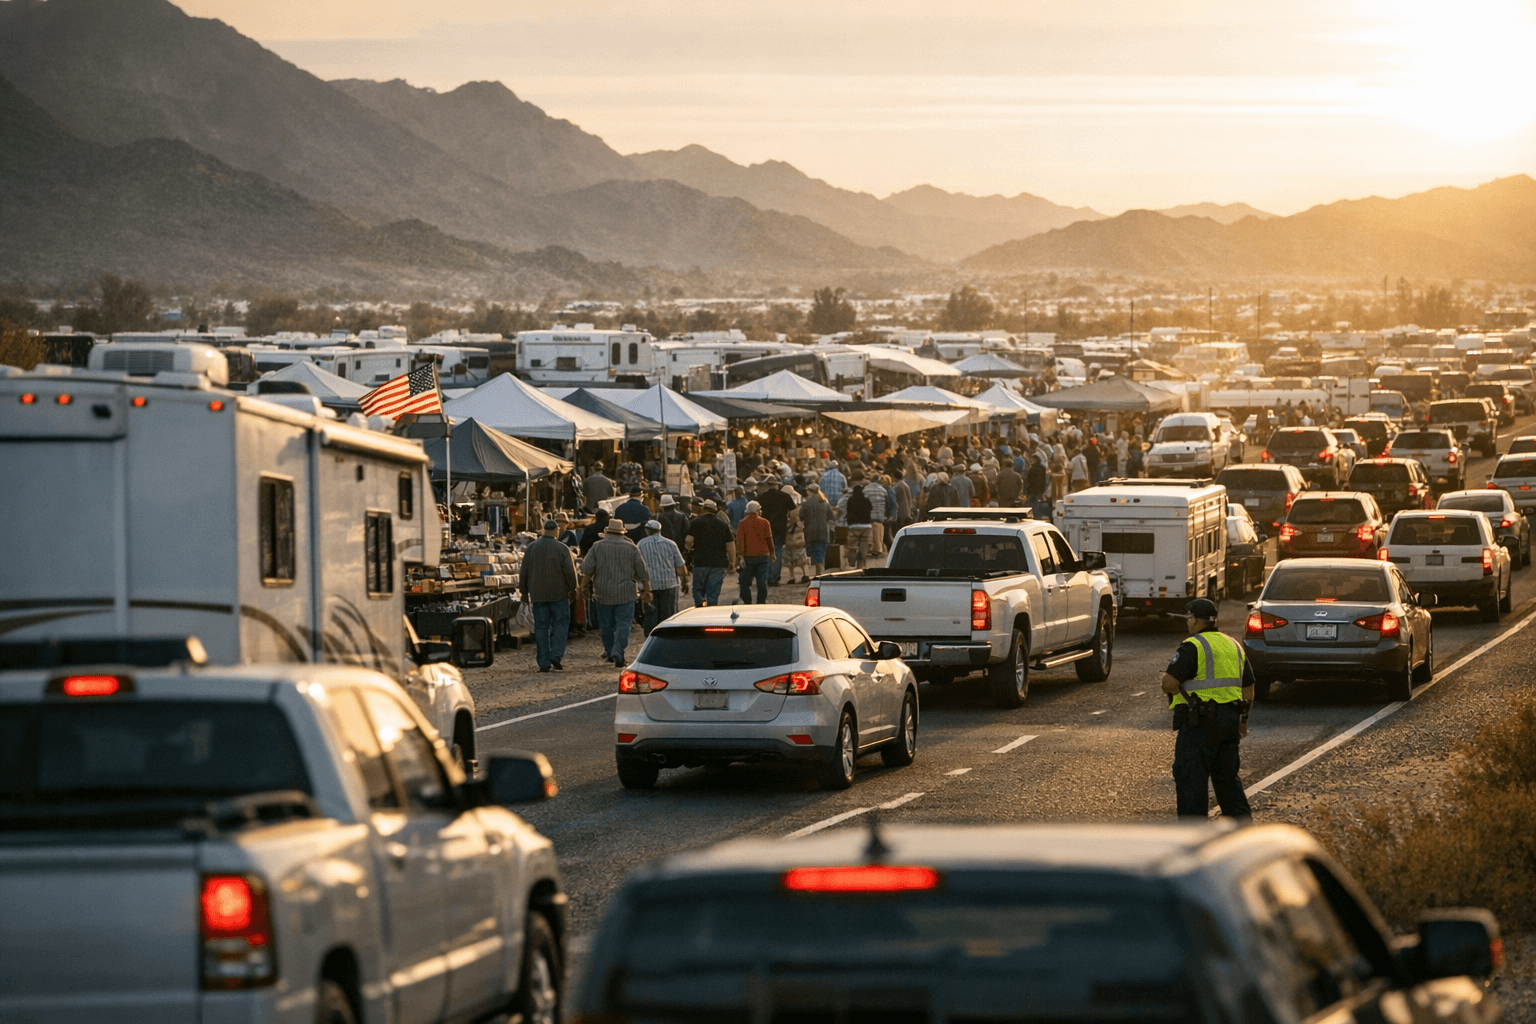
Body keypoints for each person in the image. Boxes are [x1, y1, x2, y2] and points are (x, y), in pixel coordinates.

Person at [1159, 598, 1254, 819]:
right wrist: (1243, 721)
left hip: (1199, 724)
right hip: (1229, 721)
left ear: (1194, 620)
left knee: (1191, 782)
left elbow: (1169, 683)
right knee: (1228, 782)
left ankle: (1194, 835)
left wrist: (1163, 679)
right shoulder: (1233, 645)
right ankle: (1243, 830)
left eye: (1188, 618)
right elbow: (1248, 687)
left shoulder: (1193, 646)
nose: (1187, 622)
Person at [580, 519, 652, 665]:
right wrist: (646, 590)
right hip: (626, 593)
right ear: (622, 533)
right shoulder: (631, 548)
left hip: (603, 592)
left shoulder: (597, 546)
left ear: (607, 532)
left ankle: (609, 650)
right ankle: (618, 651)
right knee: (623, 624)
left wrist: (582, 588)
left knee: (605, 625)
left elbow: (587, 570)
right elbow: (643, 572)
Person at [520, 519, 578, 672]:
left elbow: (523, 571)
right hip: (559, 594)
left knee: (541, 627)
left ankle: (544, 663)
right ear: (556, 531)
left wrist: (524, 592)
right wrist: (573, 590)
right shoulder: (562, 548)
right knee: (561, 624)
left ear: (543, 530)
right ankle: (556, 655)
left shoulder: (531, 548)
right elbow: (570, 572)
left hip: (538, 594)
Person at [637, 520, 685, 635]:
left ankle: (652, 639)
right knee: (669, 615)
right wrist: (684, 581)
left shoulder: (641, 544)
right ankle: (668, 638)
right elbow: (681, 567)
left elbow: (638, 566)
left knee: (650, 615)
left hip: (649, 586)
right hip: (669, 585)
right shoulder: (671, 544)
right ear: (659, 530)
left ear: (647, 530)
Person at [685, 499, 735, 607]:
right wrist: (732, 562)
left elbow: (688, 541)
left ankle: (701, 605)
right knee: (713, 592)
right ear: (715, 510)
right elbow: (731, 545)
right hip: (719, 563)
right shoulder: (723, 524)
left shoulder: (696, 522)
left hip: (700, 562)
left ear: (703, 509)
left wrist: (689, 550)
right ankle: (711, 609)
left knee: (698, 589)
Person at [757, 479, 797, 585]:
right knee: (777, 552)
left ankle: (766, 577)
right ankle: (774, 578)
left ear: (768, 485)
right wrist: (790, 524)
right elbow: (794, 513)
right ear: (777, 485)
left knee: (766, 553)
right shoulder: (785, 496)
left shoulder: (761, 497)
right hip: (780, 528)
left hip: (764, 528)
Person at [735, 500, 775, 603]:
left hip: (748, 557)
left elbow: (740, 541)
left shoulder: (743, 523)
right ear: (758, 511)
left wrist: (740, 556)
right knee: (762, 582)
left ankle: (747, 601)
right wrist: (772, 552)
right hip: (763, 556)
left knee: (744, 582)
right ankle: (761, 602)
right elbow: (769, 539)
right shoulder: (765, 522)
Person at [799, 482, 833, 578]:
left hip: (809, 531)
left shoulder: (805, 504)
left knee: (812, 552)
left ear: (810, 491)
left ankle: (818, 573)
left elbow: (801, 516)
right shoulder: (825, 503)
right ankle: (820, 572)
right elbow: (831, 516)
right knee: (820, 551)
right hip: (823, 530)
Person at [840, 483, 874, 568]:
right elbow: (871, 509)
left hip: (853, 526)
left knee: (852, 547)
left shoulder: (850, 500)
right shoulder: (866, 500)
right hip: (866, 526)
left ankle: (852, 563)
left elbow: (848, 511)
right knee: (864, 547)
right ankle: (861, 566)